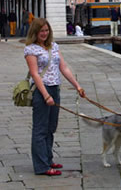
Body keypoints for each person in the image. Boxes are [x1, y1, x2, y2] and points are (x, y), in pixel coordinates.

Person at [24, 18, 85, 176]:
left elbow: (63, 67)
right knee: (40, 129)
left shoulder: (54, 46)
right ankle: (42, 166)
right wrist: (45, 95)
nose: (44, 33)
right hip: (41, 90)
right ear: (35, 33)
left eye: (46, 30)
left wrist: (77, 86)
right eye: (41, 31)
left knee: (51, 127)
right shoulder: (31, 50)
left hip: (55, 89)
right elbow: (35, 74)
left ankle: (48, 159)